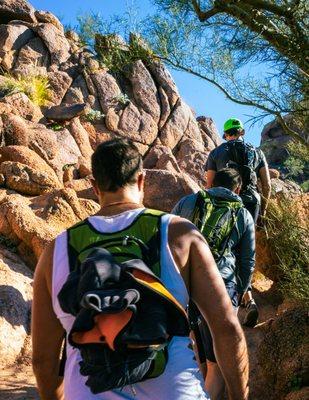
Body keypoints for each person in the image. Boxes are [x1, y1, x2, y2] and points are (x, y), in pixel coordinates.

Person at [32, 139, 249, 400]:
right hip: (175, 390)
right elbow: (226, 328)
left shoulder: (56, 250)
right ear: (142, 180)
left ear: (95, 186)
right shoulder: (180, 234)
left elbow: (43, 361)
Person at [173, 168, 255, 400]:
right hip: (221, 287)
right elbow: (247, 261)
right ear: (237, 189)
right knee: (216, 364)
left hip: (185, 286)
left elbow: (169, 242)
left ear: (211, 183)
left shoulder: (187, 202)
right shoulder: (243, 214)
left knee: (196, 353)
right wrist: (241, 290)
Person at [206, 117, 271, 327]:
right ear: (241, 132)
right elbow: (267, 184)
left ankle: (239, 299)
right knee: (246, 251)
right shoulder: (256, 151)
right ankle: (247, 298)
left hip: (226, 202)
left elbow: (210, 185)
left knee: (229, 248)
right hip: (252, 202)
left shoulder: (216, 153)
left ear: (226, 134)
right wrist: (264, 210)